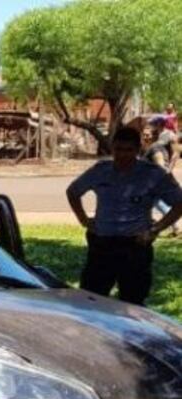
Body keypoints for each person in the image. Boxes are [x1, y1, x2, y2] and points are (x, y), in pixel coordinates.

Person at [66, 126, 182, 305]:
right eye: (118, 149)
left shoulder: (152, 174)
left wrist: (155, 229)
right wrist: (83, 219)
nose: (123, 155)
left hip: (135, 245)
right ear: (112, 148)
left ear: (138, 150)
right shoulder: (101, 170)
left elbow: (178, 203)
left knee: (133, 301)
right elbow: (73, 192)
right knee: (90, 299)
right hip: (102, 244)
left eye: (129, 150)